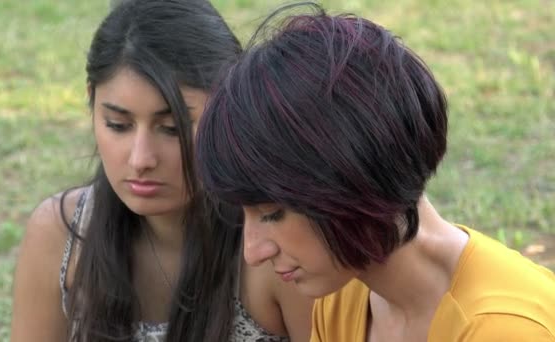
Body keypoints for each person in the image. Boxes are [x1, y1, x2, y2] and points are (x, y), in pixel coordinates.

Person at [195, 3, 555, 341]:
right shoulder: (346, 297)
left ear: (350, 180)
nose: (253, 253)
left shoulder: (504, 329)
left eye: (272, 214)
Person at [10, 1, 312, 341]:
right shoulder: (61, 234)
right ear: (91, 102)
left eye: (172, 128)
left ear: (229, 110)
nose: (141, 159)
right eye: (118, 125)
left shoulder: (275, 249)